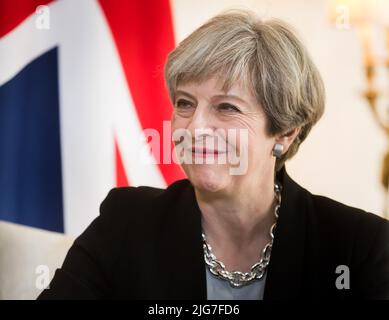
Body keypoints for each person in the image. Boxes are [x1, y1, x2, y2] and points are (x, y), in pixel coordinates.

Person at [38, 9, 389, 300]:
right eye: (185, 104)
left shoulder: (357, 246)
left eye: (227, 108)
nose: (194, 129)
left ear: (285, 132)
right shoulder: (126, 223)